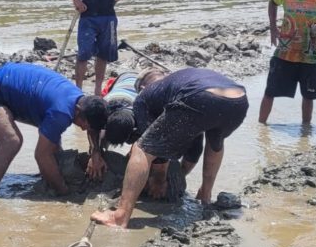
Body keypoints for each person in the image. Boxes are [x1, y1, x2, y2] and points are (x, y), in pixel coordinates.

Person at [91, 68, 248, 228]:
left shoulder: (144, 97)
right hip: (239, 100)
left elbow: (151, 147)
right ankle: (205, 196)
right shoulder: (177, 81)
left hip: (200, 96)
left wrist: (159, 178)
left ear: (142, 88)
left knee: (142, 149)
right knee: (216, 142)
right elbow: (200, 144)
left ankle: (119, 216)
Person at [0, 62, 108, 195]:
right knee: (11, 141)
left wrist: (96, 152)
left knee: (53, 147)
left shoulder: (80, 99)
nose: (83, 130)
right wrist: (64, 193)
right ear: (78, 110)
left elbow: (93, 127)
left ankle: (48, 181)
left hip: (8, 83)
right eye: (84, 125)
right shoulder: (62, 111)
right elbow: (41, 155)